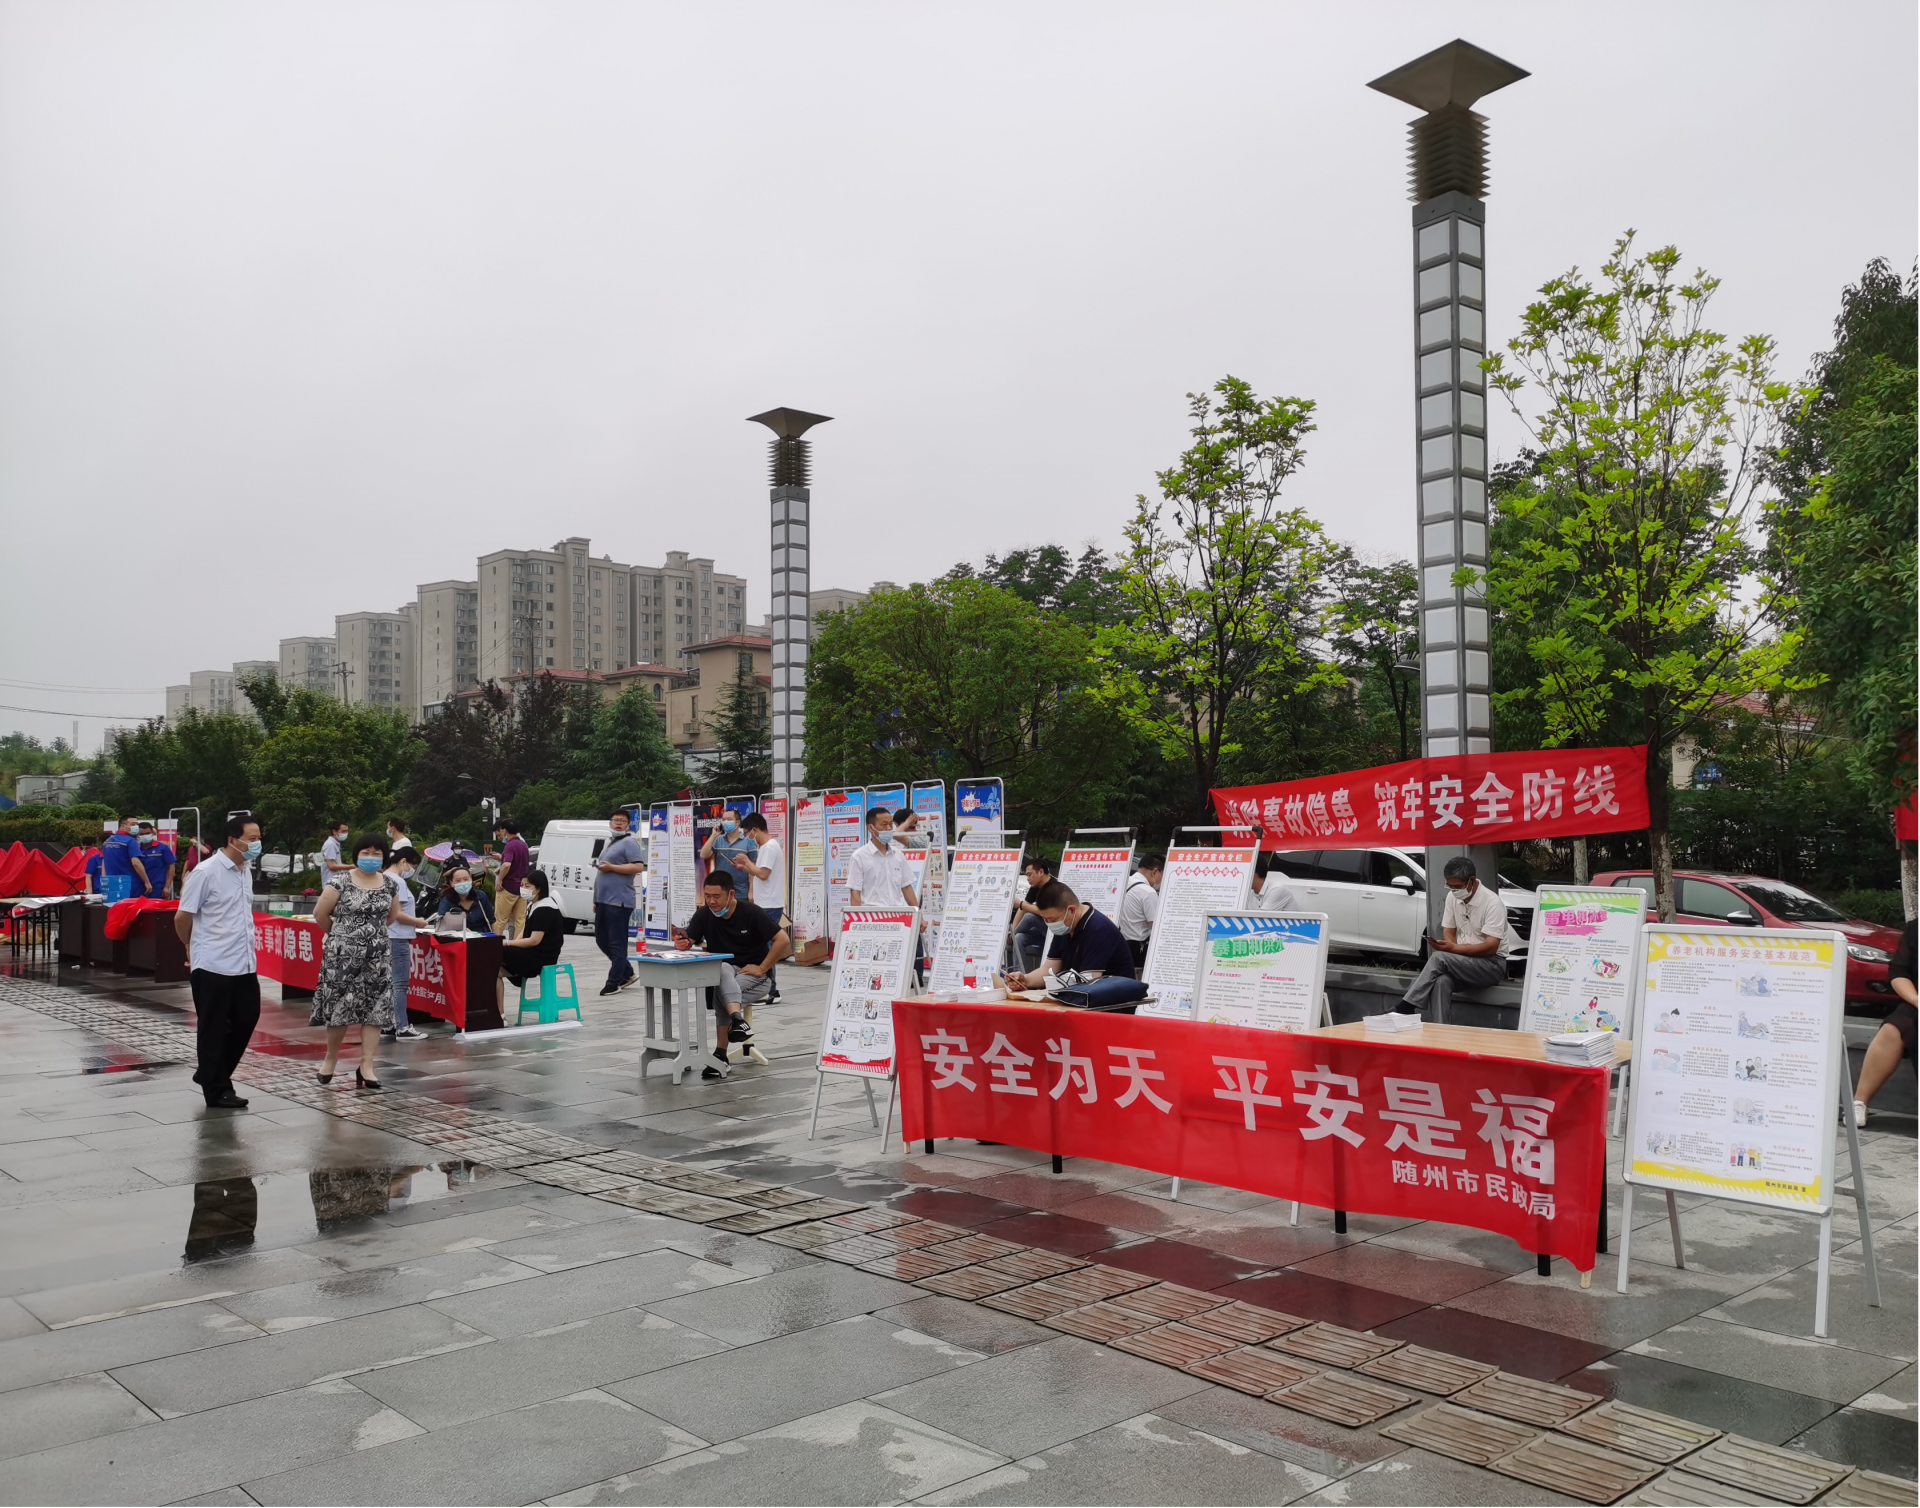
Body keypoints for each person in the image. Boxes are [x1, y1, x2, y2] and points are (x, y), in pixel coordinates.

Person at [310, 834, 418, 1090]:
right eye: (366, 852)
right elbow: (320, 914)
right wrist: (342, 935)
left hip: (377, 957)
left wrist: (370, 935)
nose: (371, 857)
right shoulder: (339, 881)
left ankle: (367, 1065)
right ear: (356, 855)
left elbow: (391, 916)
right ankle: (331, 1059)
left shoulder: (389, 884)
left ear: (384, 856)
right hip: (342, 957)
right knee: (339, 1009)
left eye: (376, 853)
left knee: (375, 1011)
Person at [174, 813, 265, 1110]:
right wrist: (188, 945)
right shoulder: (206, 872)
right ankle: (217, 1091)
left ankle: (209, 1072)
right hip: (212, 963)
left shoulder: (244, 870)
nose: (257, 844)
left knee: (247, 1018)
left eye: (259, 838)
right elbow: (182, 916)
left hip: (244, 962)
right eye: (252, 839)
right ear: (232, 840)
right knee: (213, 1028)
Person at [673, 870, 790, 1079]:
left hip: (755, 977)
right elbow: (690, 940)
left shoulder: (751, 912)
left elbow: (783, 940)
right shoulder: (704, 914)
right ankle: (737, 1020)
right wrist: (682, 943)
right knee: (722, 968)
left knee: (722, 991)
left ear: (731, 894)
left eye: (716, 896)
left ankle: (721, 1055)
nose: (711, 901)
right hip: (724, 973)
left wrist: (762, 968)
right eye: (707, 896)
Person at [1392, 855, 1514, 1016]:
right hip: (1464, 962)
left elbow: (1491, 947)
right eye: (1450, 886)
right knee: (1441, 981)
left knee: (1439, 957)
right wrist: (1451, 948)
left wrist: (1454, 950)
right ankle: (1439, 1029)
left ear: (1472, 881)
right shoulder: (1452, 897)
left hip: (1491, 965)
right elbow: (1448, 930)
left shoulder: (1492, 903)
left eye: (1457, 886)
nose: (1454, 891)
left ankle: (1405, 1007)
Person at [1009, 880, 1136, 989]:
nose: (1049, 924)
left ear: (1071, 910)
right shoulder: (1065, 926)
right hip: (1081, 996)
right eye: (1045, 919)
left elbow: (1089, 982)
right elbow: (1049, 969)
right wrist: (1025, 980)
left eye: (1052, 919)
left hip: (1112, 1003)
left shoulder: (1098, 930)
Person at [1854, 916, 1918, 1126]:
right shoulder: (1915, 929)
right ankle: (1860, 1102)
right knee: (1894, 1028)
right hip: (1916, 1003)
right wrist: (1915, 999)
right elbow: (1899, 973)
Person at [733, 811, 787, 999]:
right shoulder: (765, 847)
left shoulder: (769, 847)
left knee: (766, 948)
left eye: (748, 833)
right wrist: (744, 866)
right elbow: (758, 872)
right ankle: (768, 988)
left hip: (770, 904)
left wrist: (747, 862)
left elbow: (763, 874)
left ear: (755, 829)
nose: (748, 837)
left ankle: (770, 989)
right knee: (763, 947)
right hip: (765, 903)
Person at [593, 808, 646, 995]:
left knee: (616, 942)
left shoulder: (629, 842)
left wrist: (612, 867)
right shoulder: (610, 842)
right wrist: (596, 899)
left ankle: (614, 981)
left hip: (619, 901)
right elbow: (601, 873)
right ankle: (627, 972)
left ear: (628, 825)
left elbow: (638, 866)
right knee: (601, 940)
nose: (618, 823)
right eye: (615, 820)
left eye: (622, 821)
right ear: (610, 822)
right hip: (603, 900)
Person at [498, 869, 567, 1012]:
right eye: (522, 885)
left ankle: (516, 976)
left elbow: (534, 941)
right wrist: (514, 943)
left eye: (528, 886)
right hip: (531, 952)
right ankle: (499, 1013)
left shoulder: (545, 908)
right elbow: (524, 930)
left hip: (542, 956)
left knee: (498, 953)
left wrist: (508, 943)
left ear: (539, 888)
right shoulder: (533, 905)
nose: (523, 889)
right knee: (492, 966)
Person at [383, 846, 427, 1041]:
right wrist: (418, 921)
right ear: (403, 862)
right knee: (399, 983)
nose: (411, 870)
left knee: (388, 983)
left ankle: (389, 1024)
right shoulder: (398, 881)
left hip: (387, 935)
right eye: (412, 866)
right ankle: (402, 1026)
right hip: (398, 936)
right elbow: (397, 913)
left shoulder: (384, 877)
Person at [848, 807, 919, 910]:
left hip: (897, 914)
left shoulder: (898, 855)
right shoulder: (859, 857)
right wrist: (857, 917)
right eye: (884, 824)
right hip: (872, 915)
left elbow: (907, 887)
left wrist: (918, 915)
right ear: (871, 828)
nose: (889, 828)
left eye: (890, 824)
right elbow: (855, 892)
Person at [1011, 855, 1057, 973]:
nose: (1028, 878)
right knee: (1019, 938)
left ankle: (1010, 937)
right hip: (1040, 932)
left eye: (1029, 874)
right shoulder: (1035, 887)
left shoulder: (1054, 887)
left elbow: (1046, 912)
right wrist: (1014, 929)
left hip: (1053, 932)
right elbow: (1022, 908)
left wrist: (1021, 904)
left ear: (1041, 872)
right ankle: (1018, 974)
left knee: (1029, 917)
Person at [1119, 853, 1163, 970]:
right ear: (1155, 872)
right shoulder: (1148, 892)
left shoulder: (1123, 883)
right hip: (1136, 949)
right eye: (1162, 875)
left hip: (1118, 944)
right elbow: (1155, 925)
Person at [494, 819, 531, 939]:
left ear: (505, 831)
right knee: (520, 921)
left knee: (500, 920)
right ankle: (518, 945)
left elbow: (507, 864)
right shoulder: (523, 845)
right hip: (522, 889)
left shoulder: (510, 845)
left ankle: (495, 946)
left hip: (508, 888)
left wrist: (500, 879)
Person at [435, 866, 495, 933]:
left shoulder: (480, 896)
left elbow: (492, 921)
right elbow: (440, 924)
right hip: (458, 938)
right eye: (458, 880)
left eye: (466, 879)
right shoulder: (446, 901)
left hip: (483, 936)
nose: (462, 883)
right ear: (452, 883)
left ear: (471, 879)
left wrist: (497, 937)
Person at [132, 822, 177, 900]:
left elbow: (171, 867)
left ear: (152, 833)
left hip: (158, 888)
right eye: (142, 834)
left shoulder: (163, 848)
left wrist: (167, 887)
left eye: (147, 833)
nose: (145, 836)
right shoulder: (136, 849)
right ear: (138, 835)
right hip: (139, 889)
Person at [99, 816, 139, 902]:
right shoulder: (131, 841)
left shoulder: (107, 842)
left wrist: (104, 881)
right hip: (129, 885)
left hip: (112, 885)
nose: (136, 827)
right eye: (132, 824)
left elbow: (104, 862)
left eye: (137, 824)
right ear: (123, 826)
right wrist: (147, 881)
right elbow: (136, 863)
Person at [319, 821, 353, 888]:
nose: (345, 834)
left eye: (347, 831)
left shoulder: (335, 844)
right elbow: (331, 866)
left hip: (336, 882)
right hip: (331, 883)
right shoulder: (330, 844)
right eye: (343, 831)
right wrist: (351, 866)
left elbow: (338, 864)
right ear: (334, 831)